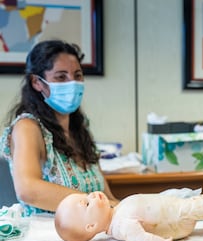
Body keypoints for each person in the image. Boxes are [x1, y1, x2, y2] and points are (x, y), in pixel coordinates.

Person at [0, 40, 119, 215]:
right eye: (61, 77)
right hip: (46, 237)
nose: (72, 83)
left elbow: (108, 197)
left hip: (90, 235)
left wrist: (129, 210)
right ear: (37, 82)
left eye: (77, 76)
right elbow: (28, 190)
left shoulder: (80, 130)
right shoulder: (27, 127)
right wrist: (98, 205)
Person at [54, 184, 203, 241]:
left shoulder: (117, 211)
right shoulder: (121, 226)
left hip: (176, 205)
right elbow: (141, 240)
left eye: (87, 196)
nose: (92, 195)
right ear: (91, 226)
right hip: (180, 216)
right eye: (87, 204)